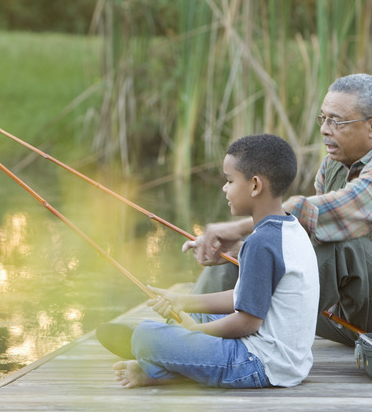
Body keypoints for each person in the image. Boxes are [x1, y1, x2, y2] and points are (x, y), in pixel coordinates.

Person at [186, 73, 372, 346]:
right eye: (323, 118)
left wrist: (240, 226)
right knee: (252, 249)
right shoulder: (334, 162)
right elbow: (298, 240)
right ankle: (182, 327)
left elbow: (332, 215)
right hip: (351, 315)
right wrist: (244, 247)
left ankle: (213, 340)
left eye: (336, 121)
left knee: (338, 245)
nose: (324, 130)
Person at [105, 134, 319, 389]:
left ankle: (157, 362)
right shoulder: (289, 227)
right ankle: (165, 361)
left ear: (255, 185)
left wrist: (195, 332)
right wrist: (180, 301)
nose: (224, 188)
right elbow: (244, 297)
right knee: (191, 312)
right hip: (288, 361)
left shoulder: (260, 243)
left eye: (229, 181)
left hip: (259, 364)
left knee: (145, 336)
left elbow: (248, 321)